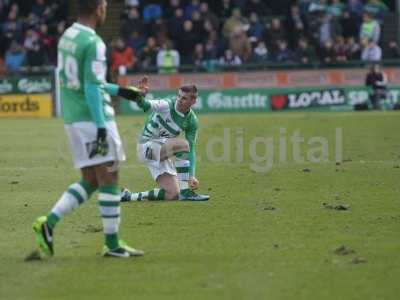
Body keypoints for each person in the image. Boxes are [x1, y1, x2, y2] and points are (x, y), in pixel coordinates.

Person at [32, 0, 145, 258]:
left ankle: (47, 225)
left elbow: (87, 81)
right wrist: (102, 128)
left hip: (74, 118)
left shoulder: (67, 37)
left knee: (91, 179)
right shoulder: (94, 43)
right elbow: (93, 87)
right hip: (92, 118)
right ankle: (113, 244)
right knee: (110, 175)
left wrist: (125, 92)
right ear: (99, 9)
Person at [121, 77, 210, 202]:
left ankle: (128, 197)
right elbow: (145, 105)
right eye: (179, 96)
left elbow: (192, 149)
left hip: (161, 151)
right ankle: (186, 193)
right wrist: (140, 96)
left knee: (172, 194)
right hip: (146, 148)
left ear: (193, 101)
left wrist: (191, 176)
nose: (179, 100)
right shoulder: (166, 105)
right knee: (183, 144)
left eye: (184, 98)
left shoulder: (192, 121)